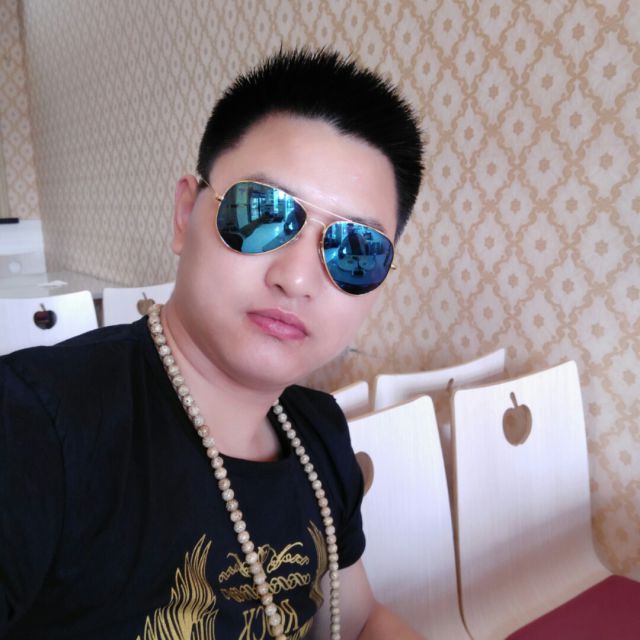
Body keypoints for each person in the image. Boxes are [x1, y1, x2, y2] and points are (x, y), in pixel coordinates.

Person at [0, 49, 424, 639]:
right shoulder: (34, 426)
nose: (296, 279)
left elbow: (360, 623)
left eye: (356, 250)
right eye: (262, 213)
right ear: (184, 214)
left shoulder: (320, 433)